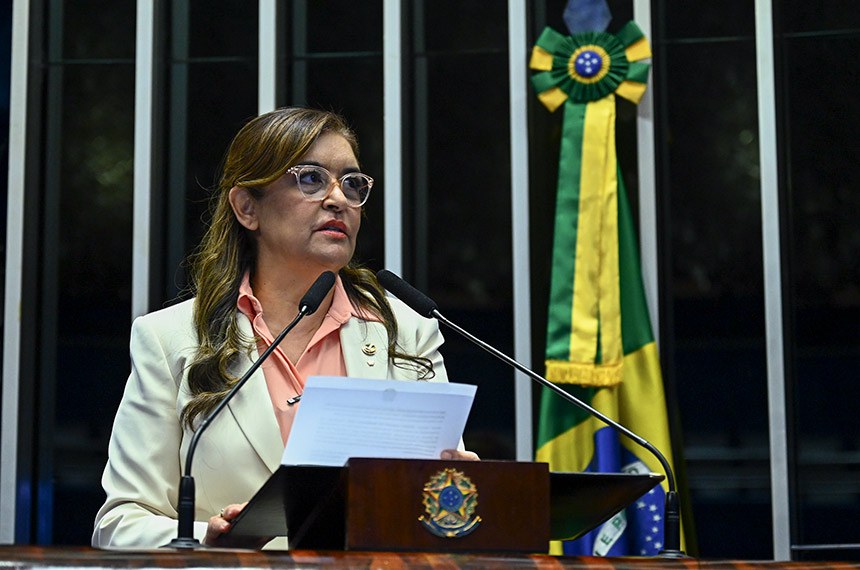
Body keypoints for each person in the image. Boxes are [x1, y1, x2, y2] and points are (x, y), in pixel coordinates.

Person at [92, 107, 478, 549]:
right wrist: (205, 540)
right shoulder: (171, 339)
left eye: (352, 184)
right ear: (246, 207)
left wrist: (455, 495)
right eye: (311, 178)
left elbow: (437, 503)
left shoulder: (406, 331)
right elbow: (120, 522)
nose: (338, 199)